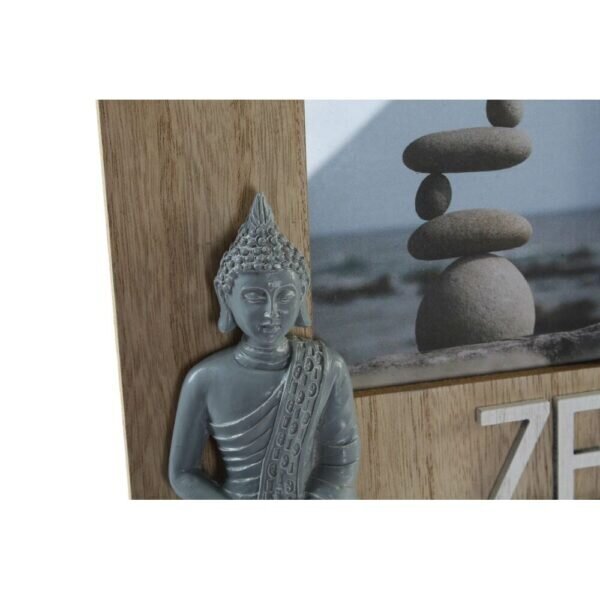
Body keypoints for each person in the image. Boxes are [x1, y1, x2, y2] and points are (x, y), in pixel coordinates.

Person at [168, 193, 360, 499]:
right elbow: (182, 474)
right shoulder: (204, 379)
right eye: (255, 297)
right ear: (226, 296)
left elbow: (341, 464)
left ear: (301, 296)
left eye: (285, 296)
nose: (271, 313)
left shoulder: (326, 368)